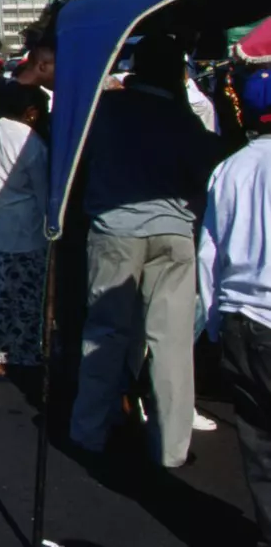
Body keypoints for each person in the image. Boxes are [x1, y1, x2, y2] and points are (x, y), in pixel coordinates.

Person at [71, 33, 223, 467]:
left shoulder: (105, 112)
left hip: (115, 230)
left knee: (105, 333)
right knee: (172, 344)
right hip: (174, 232)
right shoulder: (183, 119)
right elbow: (208, 172)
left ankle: (88, 430)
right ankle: (173, 449)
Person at [199, 64, 271, 540]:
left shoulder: (229, 169)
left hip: (240, 319)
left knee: (259, 443)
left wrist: (213, 324)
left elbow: (208, 252)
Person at [0, 83, 50, 377]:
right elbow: (43, 194)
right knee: (26, 295)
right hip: (27, 226)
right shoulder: (33, 143)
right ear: (30, 112)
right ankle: (23, 352)